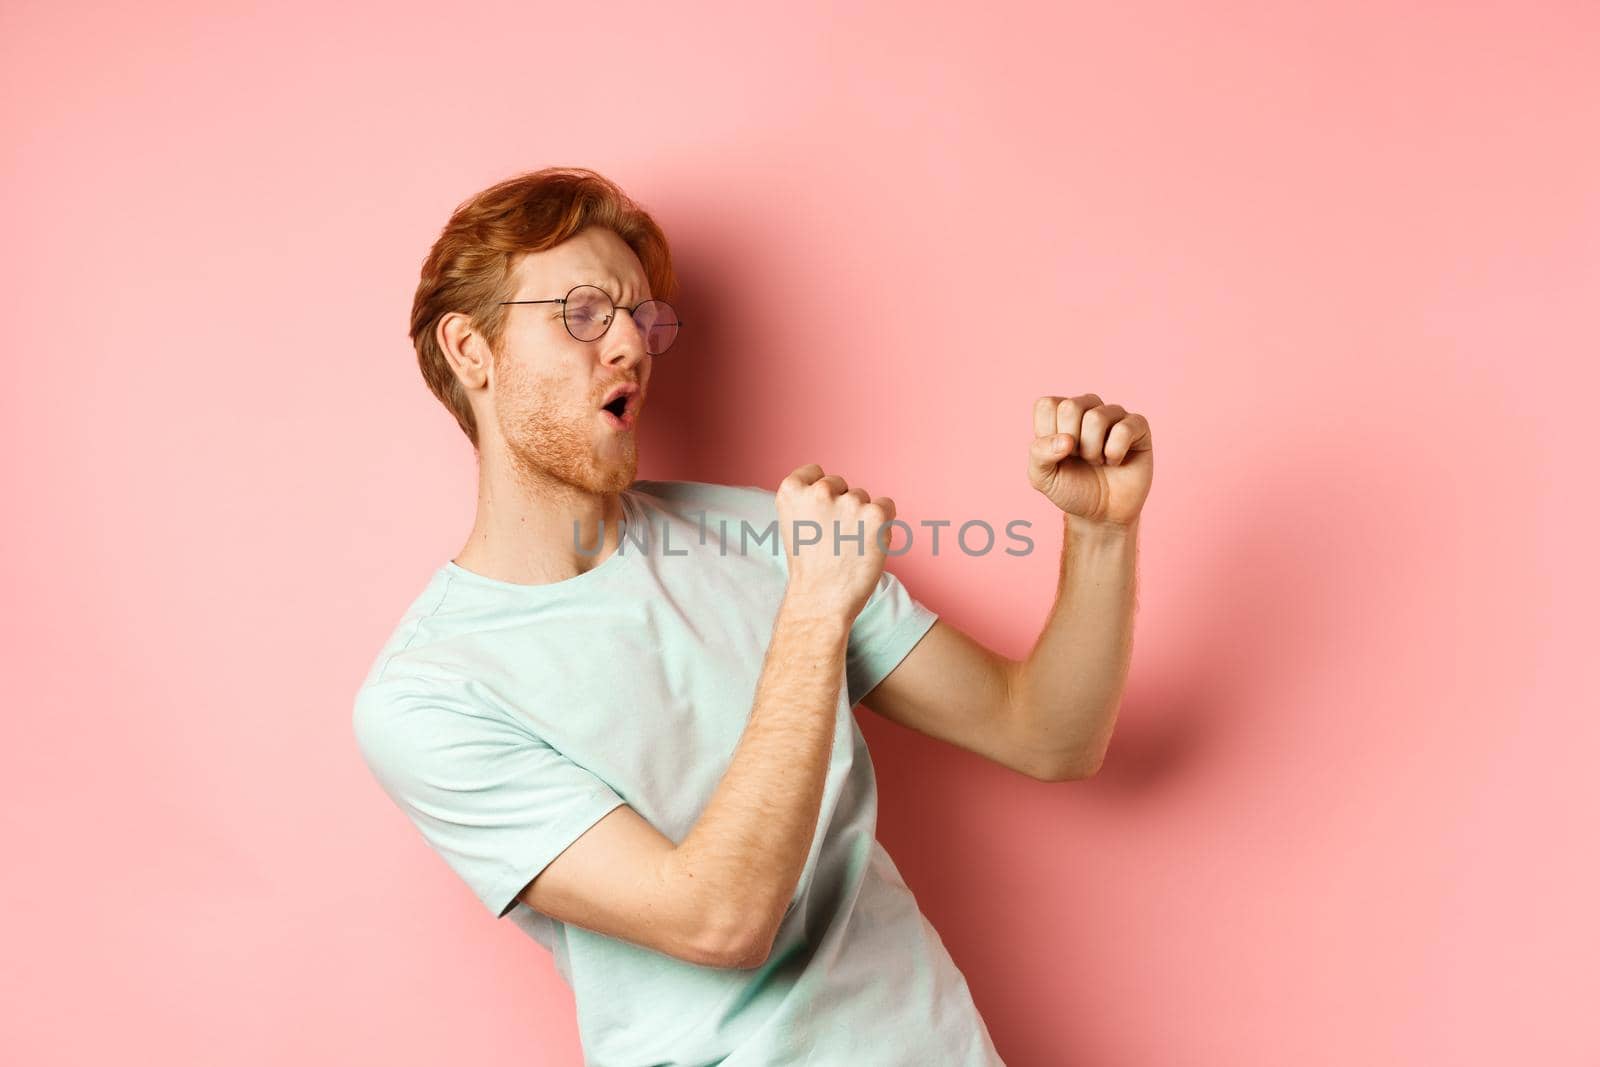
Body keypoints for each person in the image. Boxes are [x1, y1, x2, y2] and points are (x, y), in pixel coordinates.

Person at [352, 166, 1152, 1066]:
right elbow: (717, 918)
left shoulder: (759, 533)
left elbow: (1048, 733)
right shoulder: (431, 695)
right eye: (583, 313)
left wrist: (1101, 530)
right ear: (472, 350)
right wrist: (813, 609)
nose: (631, 347)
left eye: (645, 320)